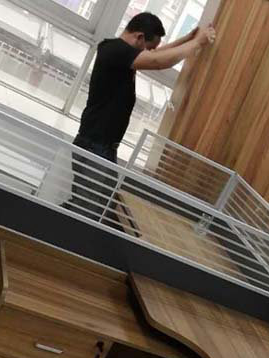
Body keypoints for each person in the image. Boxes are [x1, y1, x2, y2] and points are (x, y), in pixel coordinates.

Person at [65, 12, 216, 219]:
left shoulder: (119, 53)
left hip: (103, 146)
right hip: (94, 145)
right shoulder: (114, 49)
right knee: (87, 211)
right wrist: (198, 43)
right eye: (149, 47)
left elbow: (156, 54)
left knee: (100, 207)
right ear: (139, 37)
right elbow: (156, 60)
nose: (150, 52)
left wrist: (187, 39)